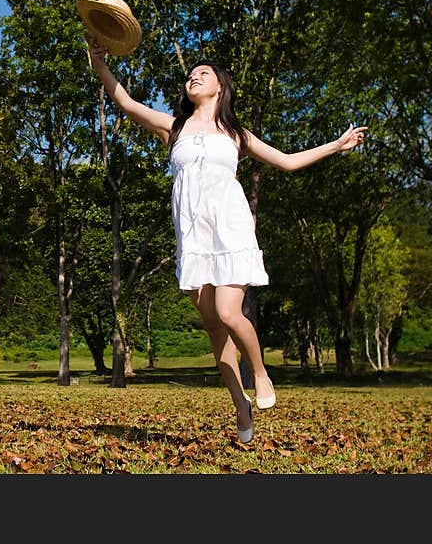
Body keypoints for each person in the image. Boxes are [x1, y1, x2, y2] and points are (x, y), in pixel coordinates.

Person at [86, 37, 367, 443]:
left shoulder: (235, 132)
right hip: (193, 237)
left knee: (230, 312)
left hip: (230, 228)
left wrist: (336, 145)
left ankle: (260, 372)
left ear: (220, 85)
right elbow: (126, 102)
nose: (193, 77)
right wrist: (100, 65)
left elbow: (287, 161)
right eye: (189, 75)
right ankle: (241, 406)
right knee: (215, 329)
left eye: (203, 73)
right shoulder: (174, 127)